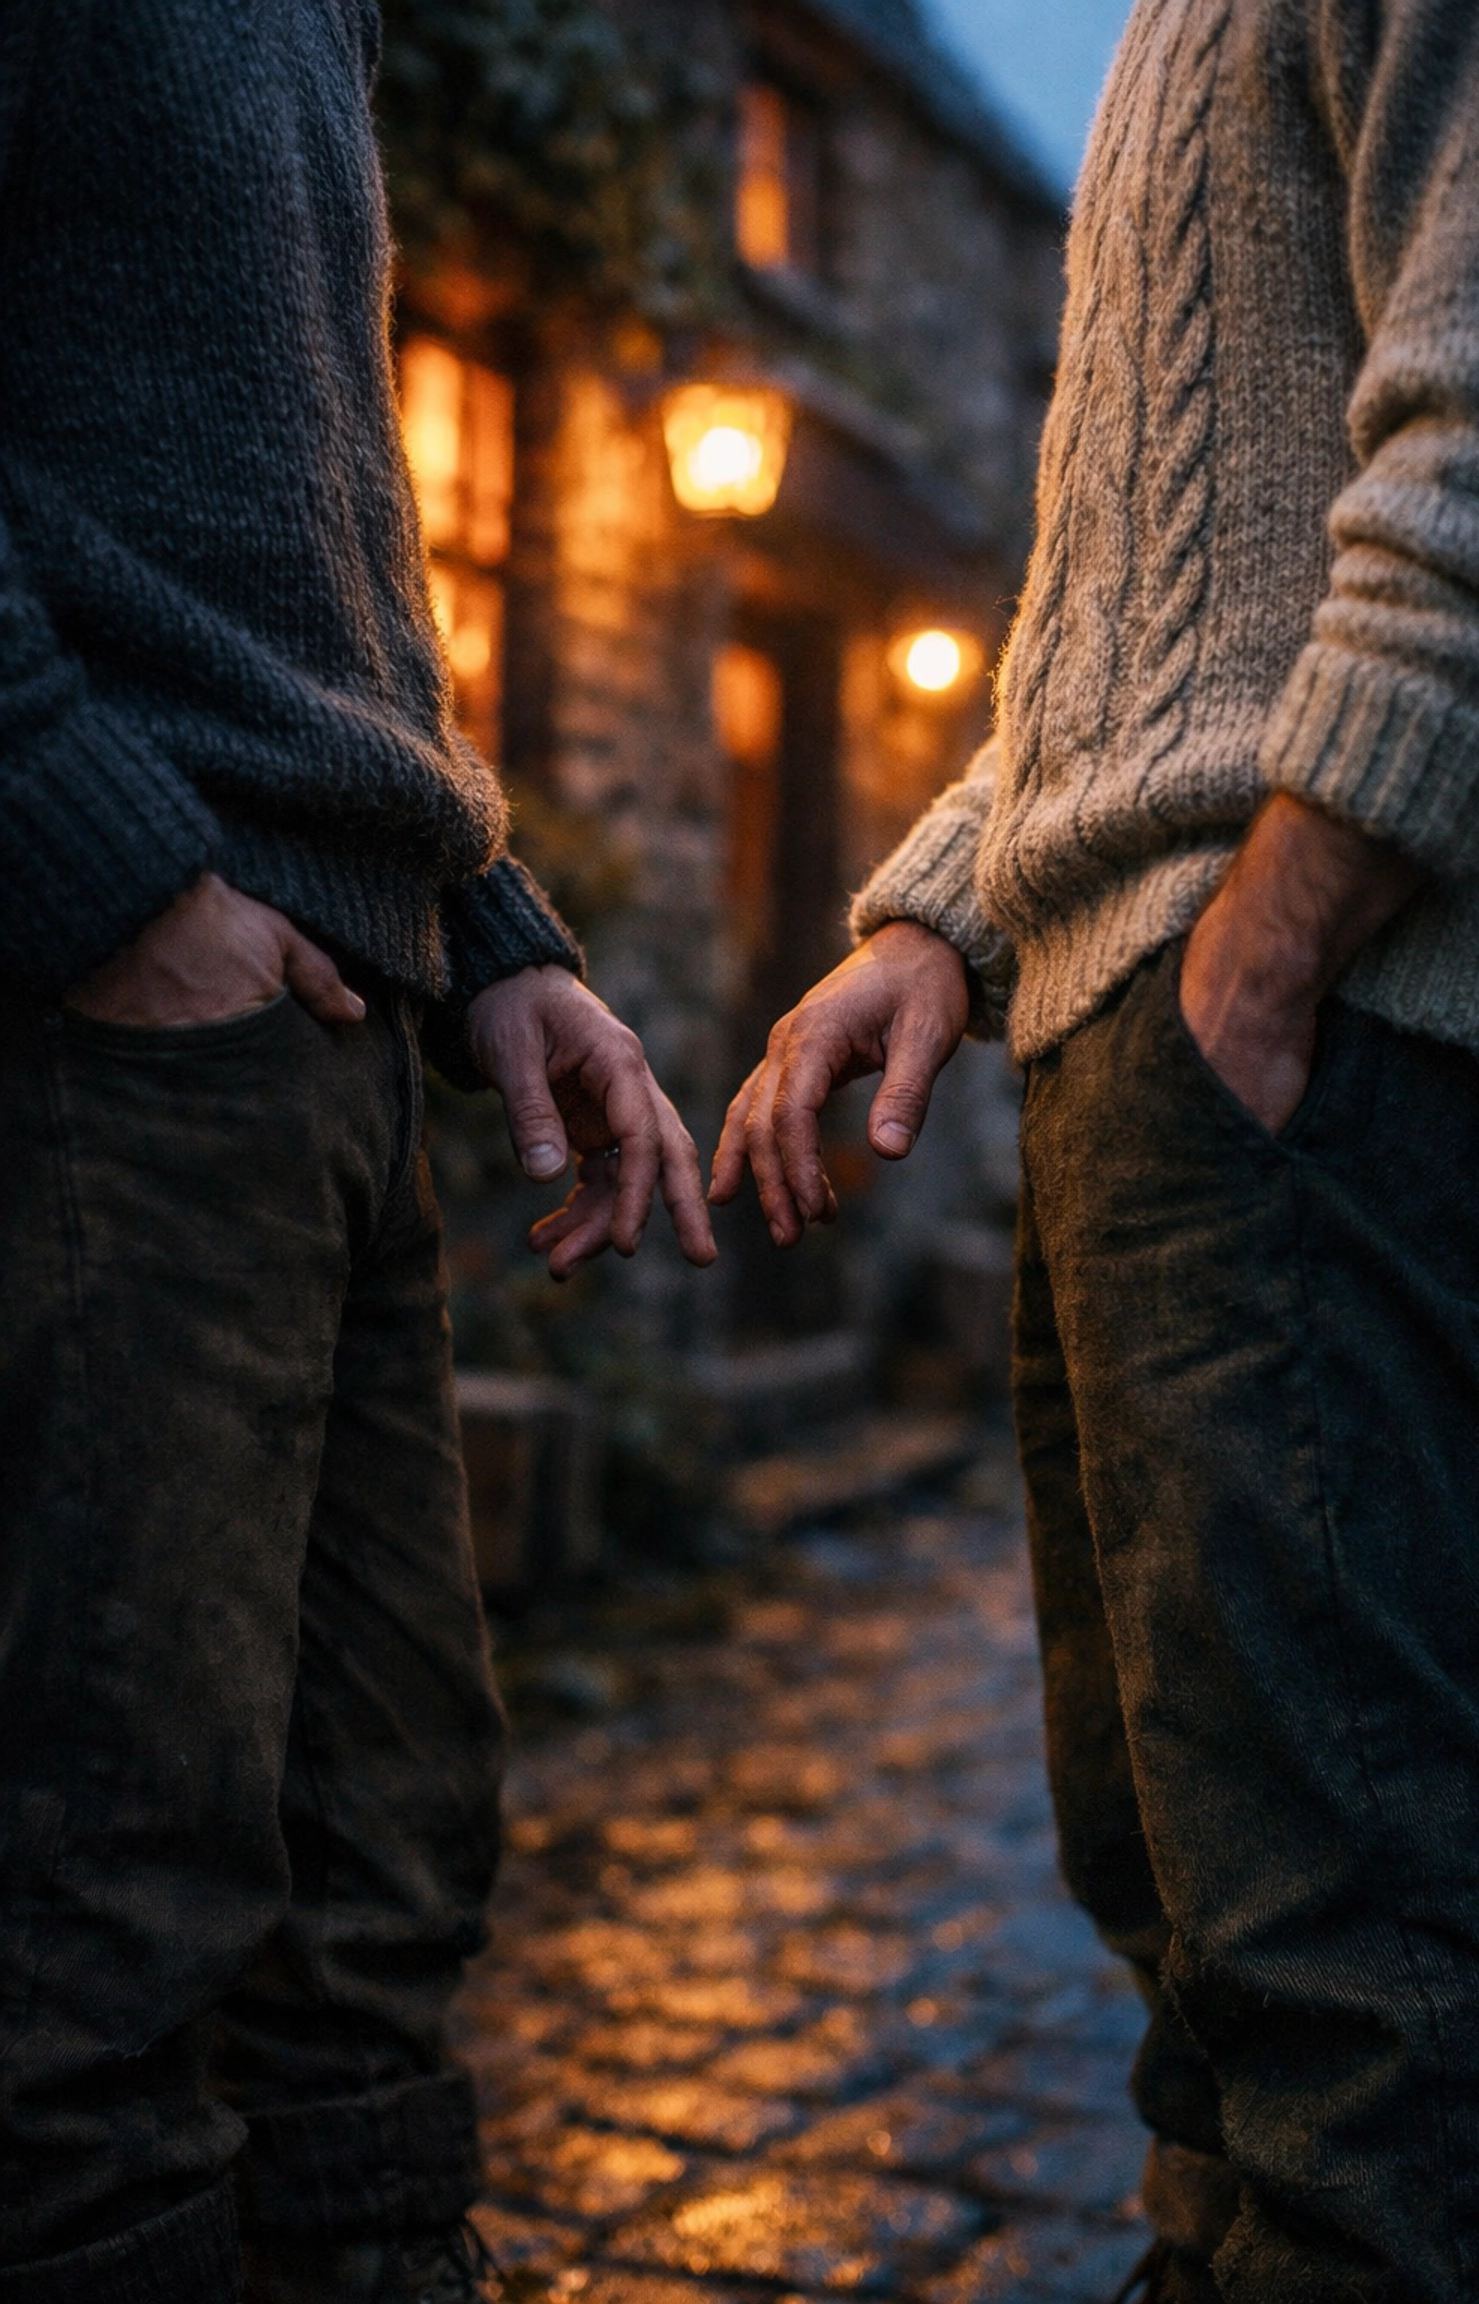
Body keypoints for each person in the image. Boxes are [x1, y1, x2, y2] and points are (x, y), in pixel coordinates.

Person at [712, 1, 1479, 2297]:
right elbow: (1127, 624)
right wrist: (948, 923)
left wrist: (1271, 951)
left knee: (1350, 1966)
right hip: (1160, 1046)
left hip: (1306, 1039)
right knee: (1197, 1943)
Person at [0, 4, 714, 2300]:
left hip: (331, 1029)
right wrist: (91, 855)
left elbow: (301, 549)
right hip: (111, 1027)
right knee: (107, 1913)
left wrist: (488, 922)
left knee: (383, 1871)